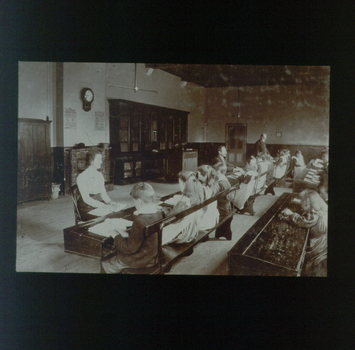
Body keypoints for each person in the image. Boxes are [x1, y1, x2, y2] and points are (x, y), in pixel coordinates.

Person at [102, 182, 164, 274]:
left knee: (105, 264)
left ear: (139, 201)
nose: (134, 204)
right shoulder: (159, 213)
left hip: (139, 260)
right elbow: (142, 236)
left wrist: (116, 236)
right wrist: (127, 234)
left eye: (134, 201)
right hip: (152, 256)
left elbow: (129, 248)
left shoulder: (140, 220)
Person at [279, 189, 327, 277]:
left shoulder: (314, 215)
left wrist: (289, 214)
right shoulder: (322, 208)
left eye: (303, 201)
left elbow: (300, 220)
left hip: (318, 245)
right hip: (323, 240)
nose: (301, 203)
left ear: (308, 202)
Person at [76, 150, 120, 221]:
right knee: (105, 217)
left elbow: (103, 194)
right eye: (99, 159)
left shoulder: (99, 175)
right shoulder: (82, 177)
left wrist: (110, 202)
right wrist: (103, 206)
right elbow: (87, 199)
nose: (101, 162)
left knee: (114, 213)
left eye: (101, 159)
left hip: (97, 202)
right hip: (86, 206)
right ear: (91, 161)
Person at [162, 171, 204, 245]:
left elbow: (169, 218)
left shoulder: (184, 202)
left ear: (185, 184)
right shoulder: (196, 197)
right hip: (191, 232)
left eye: (180, 183)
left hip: (182, 235)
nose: (178, 185)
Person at [213, 162, 234, 240]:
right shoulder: (224, 179)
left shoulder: (220, 182)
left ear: (218, 172)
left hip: (222, 208)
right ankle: (220, 233)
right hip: (226, 206)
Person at [196, 165, 220, 231]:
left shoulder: (203, 189)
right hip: (213, 218)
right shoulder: (213, 186)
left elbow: (202, 208)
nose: (197, 176)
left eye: (198, 174)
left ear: (205, 175)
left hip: (205, 221)